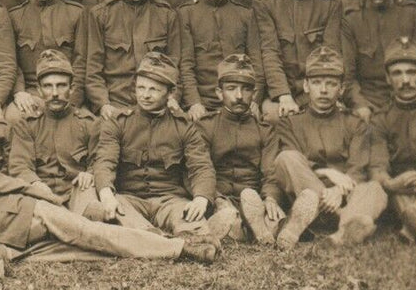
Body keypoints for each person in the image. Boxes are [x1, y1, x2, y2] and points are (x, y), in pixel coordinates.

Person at [0, 116, 219, 265]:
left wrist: (49, 202)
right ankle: (165, 247)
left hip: (24, 215)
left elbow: (4, 182)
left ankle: (179, 249)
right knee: (87, 253)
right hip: (3, 246)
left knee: (91, 233)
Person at [92, 52, 229, 241]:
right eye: (141, 88)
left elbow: (201, 166)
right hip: (130, 199)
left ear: (170, 93)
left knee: (188, 217)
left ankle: (178, 236)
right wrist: (107, 195)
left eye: (154, 90)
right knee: (117, 210)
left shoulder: (183, 126)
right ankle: (157, 237)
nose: (145, 95)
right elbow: (104, 161)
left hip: (170, 200)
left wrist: (200, 199)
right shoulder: (118, 122)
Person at [271, 46, 387, 249]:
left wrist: (338, 192)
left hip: (346, 199)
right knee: (286, 158)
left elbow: (357, 170)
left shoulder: (355, 124)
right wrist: (327, 174)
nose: (323, 90)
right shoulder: (290, 123)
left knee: (375, 188)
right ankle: (344, 226)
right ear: (306, 86)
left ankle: (341, 234)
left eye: (331, 84)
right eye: (316, 83)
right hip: (307, 197)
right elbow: (294, 165)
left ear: (341, 89)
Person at [251, 0, 347, 121]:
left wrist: (318, 94)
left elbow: (330, 54)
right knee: (273, 116)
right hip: (281, 92)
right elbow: (270, 54)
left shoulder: (329, 3)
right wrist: (284, 95)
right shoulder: (265, 3)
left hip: (316, 89)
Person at [80, 0, 181, 118]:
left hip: (158, 106)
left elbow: (176, 65)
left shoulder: (166, 15)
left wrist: (172, 98)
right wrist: (103, 104)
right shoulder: (101, 15)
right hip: (116, 105)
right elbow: (93, 71)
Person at [7, 48, 107, 221]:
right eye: (48, 86)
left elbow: (100, 160)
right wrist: (36, 183)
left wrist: (89, 173)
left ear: (71, 88)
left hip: (77, 191)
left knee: (94, 212)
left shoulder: (89, 123)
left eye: (61, 85)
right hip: (41, 191)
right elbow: (20, 165)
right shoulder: (28, 124)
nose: (54, 93)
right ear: (38, 90)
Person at [197, 54, 282, 245]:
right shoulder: (206, 126)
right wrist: (217, 198)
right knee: (224, 214)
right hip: (219, 197)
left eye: (246, 89)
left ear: (254, 94)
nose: (239, 96)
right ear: (219, 93)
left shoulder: (265, 130)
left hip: (253, 197)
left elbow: (270, 173)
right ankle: (245, 227)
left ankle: (251, 224)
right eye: (231, 89)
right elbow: (198, 169)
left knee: (269, 213)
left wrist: (270, 198)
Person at [178, 0, 254, 120]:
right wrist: (194, 102)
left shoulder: (245, 14)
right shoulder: (186, 14)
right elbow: (186, 66)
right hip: (203, 105)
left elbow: (257, 62)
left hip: (241, 102)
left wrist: (255, 101)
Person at [8, 0, 85, 118]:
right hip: (31, 93)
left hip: (67, 95)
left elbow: (82, 63)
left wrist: (73, 101)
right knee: (13, 118)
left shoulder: (76, 14)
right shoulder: (15, 16)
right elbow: (12, 63)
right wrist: (19, 92)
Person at [342, 0, 416, 113]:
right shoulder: (351, 20)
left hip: (409, 100)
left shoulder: (413, 14)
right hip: (369, 103)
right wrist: (360, 104)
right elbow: (348, 77)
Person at [371, 37, 416, 241]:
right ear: (387, 79)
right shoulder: (380, 119)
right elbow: (377, 167)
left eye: (412, 72)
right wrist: (392, 183)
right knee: (398, 196)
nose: (405, 81)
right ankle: (415, 221)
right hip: (400, 187)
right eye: (397, 73)